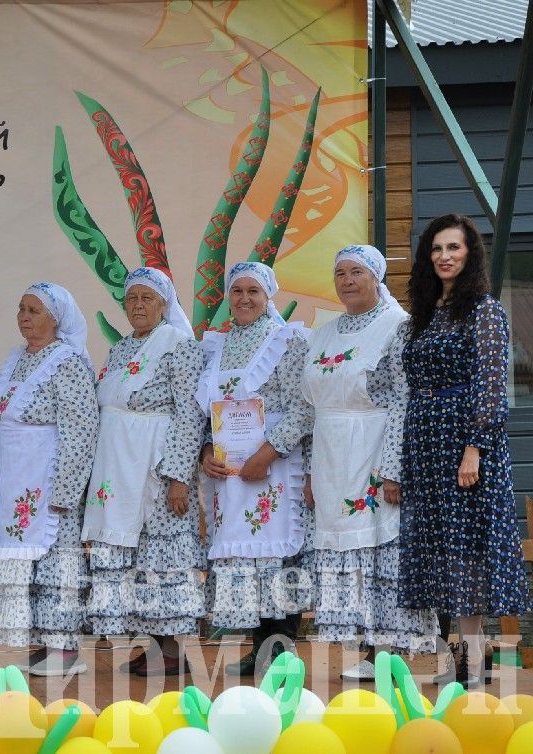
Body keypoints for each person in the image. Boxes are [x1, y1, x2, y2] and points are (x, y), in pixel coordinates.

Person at [399, 213, 531, 686]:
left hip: (465, 444)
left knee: (466, 550)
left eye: (453, 248)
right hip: (426, 444)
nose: (444, 256)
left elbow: (492, 386)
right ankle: (458, 655)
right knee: (439, 551)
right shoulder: (426, 313)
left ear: (470, 254)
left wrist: (473, 447)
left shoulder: (485, 310)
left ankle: (475, 660)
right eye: (436, 249)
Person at [300, 246, 438, 681]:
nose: (346, 280)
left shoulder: (396, 327)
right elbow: (311, 407)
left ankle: (391, 651)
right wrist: (308, 470)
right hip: (330, 453)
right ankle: (366, 645)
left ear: (376, 277)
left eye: (356, 271)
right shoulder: (322, 333)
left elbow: (402, 400)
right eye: (339, 272)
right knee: (349, 551)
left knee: (383, 548)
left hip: (375, 446)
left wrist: (394, 468)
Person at [84, 267, 206, 677]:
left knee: (162, 551)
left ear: (164, 304)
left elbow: (190, 413)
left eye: (147, 299)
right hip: (118, 463)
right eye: (131, 299)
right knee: (132, 556)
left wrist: (177, 476)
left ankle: (173, 648)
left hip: (155, 462)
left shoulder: (180, 346)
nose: (137, 306)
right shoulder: (121, 349)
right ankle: (154, 644)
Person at [197, 261, 312, 677]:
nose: (244, 299)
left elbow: (303, 405)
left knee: (278, 554)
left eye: (253, 292)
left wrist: (269, 452)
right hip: (231, 474)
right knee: (246, 556)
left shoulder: (289, 341)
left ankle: (282, 649)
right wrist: (207, 449)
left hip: (274, 468)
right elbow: (208, 411)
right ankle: (261, 647)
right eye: (237, 291)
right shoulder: (215, 347)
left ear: (269, 297)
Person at [0, 282, 99, 678]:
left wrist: (66, 489)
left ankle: (65, 649)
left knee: (57, 560)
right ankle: (44, 642)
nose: (24, 317)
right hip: (17, 477)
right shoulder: (16, 358)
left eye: (34, 310)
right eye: (21, 308)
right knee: (26, 562)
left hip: (50, 478)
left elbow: (81, 428)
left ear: (56, 318)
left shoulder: (67, 362)